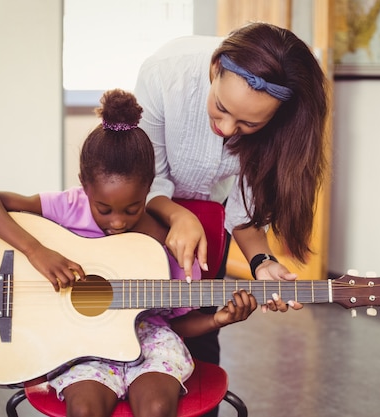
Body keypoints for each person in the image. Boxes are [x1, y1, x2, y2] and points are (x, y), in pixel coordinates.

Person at [0, 89, 257, 417]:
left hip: (152, 345)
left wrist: (219, 318)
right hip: (80, 344)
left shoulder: (169, 245)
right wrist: (36, 251)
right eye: (103, 208)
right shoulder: (69, 207)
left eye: (132, 208)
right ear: (84, 186)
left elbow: (180, 325)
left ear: (149, 188)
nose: (117, 221)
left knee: (157, 407)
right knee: (85, 409)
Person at [134, 22, 328, 367]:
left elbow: (245, 216)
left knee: (202, 336)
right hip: (145, 219)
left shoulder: (280, 127)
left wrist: (262, 263)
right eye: (221, 107)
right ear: (215, 67)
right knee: (140, 329)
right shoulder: (165, 74)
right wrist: (179, 216)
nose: (225, 129)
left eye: (248, 125)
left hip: (212, 222)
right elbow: (148, 179)